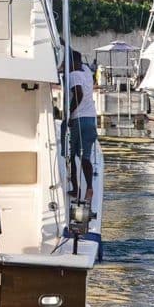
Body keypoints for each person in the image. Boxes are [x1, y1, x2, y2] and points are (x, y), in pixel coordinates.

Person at [63, 49, 98, 202]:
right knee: (85, 157)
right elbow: (77, 57)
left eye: (67, 62)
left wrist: (69, 114)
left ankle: (76, 189)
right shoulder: (87, 72)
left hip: (77, 119)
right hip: (90, 119)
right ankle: (89, 187)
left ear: (73, 63)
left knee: (70, 156)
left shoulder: (73, 75)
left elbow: (78, 94)